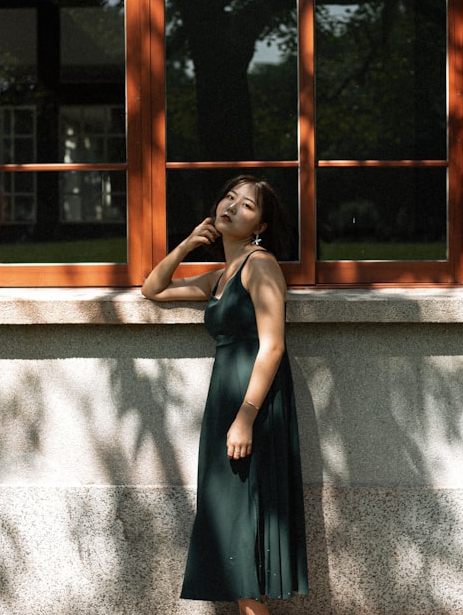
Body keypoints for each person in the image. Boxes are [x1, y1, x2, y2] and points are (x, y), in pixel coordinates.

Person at [141, 174, 309, 615]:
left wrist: (246, 416)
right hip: (225, 403)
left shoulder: (260, 265)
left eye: (247, 205)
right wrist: (187, 245)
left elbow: (273, 344)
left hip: (252, 406)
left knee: (242, 526)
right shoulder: (220, 276)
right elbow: (152, 288)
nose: (232, 206)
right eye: (229, 198)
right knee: (228, 522)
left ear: (261, 225)